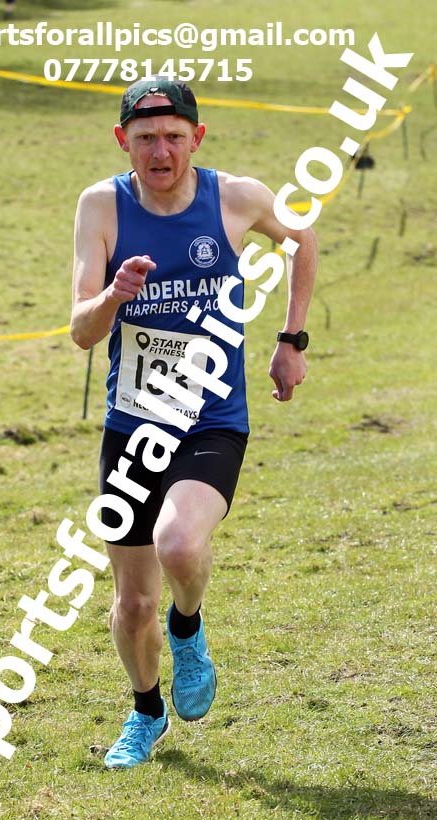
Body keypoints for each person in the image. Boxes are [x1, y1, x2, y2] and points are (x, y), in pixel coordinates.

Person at [70, 78, 317, 769]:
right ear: (124, 141)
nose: (160, 151)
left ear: (196, 139)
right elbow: (79, 331)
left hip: (212, 418)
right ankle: (146, 712)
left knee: (179, 546)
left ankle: (190, 629)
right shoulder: (101, 206)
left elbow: (301, 239)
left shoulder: (235, 197)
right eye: (145, 138)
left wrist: (289, 341)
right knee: (132, 602)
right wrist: (114, 297)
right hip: (133, 426)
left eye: (173, 137)